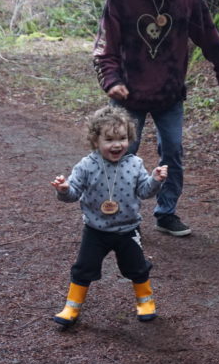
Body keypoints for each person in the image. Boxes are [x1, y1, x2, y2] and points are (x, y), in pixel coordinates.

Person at [92, 0, 219, 237]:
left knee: (172, 152)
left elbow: (208, 36)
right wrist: (111, 80)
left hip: (169, 93)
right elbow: (105, 46)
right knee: (122, 153)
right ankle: (121, 217)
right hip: (127, 94)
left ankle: (166, 212)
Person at [50, 105, 169, 328]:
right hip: (96, 230)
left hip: (128, 229)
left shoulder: (135, 164)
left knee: (137, 267)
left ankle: (145, 302)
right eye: (110, 139)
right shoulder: (86, 166)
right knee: (83, 267)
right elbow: (73, 194)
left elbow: (145, 192)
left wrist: (155, 180)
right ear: (96, 141)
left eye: (123, 138)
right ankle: (72, 307)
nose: (117, 145)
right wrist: (64, 189)